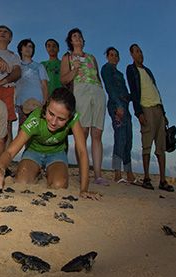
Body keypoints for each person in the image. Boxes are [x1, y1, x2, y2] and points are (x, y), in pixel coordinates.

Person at [0, 87, 101, 200]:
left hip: (56, 153)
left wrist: (84, 189)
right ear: (46, 107)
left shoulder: (74, 119)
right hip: (33, 152)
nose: (53, 122)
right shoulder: (35, 119)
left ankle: (50, 172)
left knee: (59, 185)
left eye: (61, 119)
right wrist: (0, 169)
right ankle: (37, 172)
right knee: (22, 181)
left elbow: (82, 152)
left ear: (70, 117)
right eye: (51, 114)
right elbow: (10, 151)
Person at [60, 28, 108, 186]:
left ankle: (98, 175)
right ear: (70, 41)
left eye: (80, 36)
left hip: (97, 92)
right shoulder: (67, 57)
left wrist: (101, 91)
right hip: (80, 91)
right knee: (83, 132)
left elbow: (98, 77)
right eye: (74, 36)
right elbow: (64, 80)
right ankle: (83, 172)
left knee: (97, 133)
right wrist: (74, 69)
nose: (78, 38)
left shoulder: (92, 57)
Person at [126, 44, 174, 191]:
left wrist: (164, 114)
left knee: (161, 146)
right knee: (147, 144)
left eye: (141, 51)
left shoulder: (148, 71)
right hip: (145, 108)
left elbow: (156, 91)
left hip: (158, 109)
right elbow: (134, 91)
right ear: (132, 55)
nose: (140, 54)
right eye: (137, 51)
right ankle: (146, 178)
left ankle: (162, 181)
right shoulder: (131, 69)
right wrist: (139, 112)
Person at [100, 47, 136, 184]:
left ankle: (130, 173)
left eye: (116, 55)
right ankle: (117, 172)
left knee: (129, 137)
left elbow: (126, 92)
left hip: (125, 106)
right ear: (107, 57)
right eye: (111, 55)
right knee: (120, 135)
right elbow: (109, 87)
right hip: (116, 105)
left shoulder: (120, 73)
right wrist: (118, 105)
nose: (114, 57)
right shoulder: (106, 68)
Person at [15, 38, 48, 127]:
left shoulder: (39, 66)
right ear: (20, 49)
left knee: (36, 129)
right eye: (25, 46)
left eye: (30, 46)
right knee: (22, 129)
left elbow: (44, 84)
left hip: (37, 103)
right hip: (21, 103)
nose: (28, 48)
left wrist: (45, 101)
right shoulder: (16, 66)